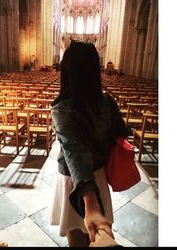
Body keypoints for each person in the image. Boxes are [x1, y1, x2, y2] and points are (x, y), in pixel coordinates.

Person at [47, 41, 128, 247]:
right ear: (95, 70)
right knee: (97, 236)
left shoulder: (62, 109)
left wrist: (90, 204)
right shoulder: (107, 101)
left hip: (73, 182)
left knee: (78, 242)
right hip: (99, 177)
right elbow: (121, 133)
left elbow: (74, 152)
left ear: (67, 70)